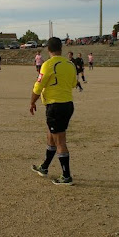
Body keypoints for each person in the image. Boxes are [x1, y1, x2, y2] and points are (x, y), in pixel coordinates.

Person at [30, 37, 77, 185]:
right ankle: (44, 167)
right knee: (51, 136)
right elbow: (74, 83)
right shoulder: (70, 64)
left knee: (59, 140)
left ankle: (66, 176)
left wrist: (32, 102)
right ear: (61, 49)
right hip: (68, 104)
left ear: (48, 49)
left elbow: (38, 86)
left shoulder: (47, 64)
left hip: (55, 106)